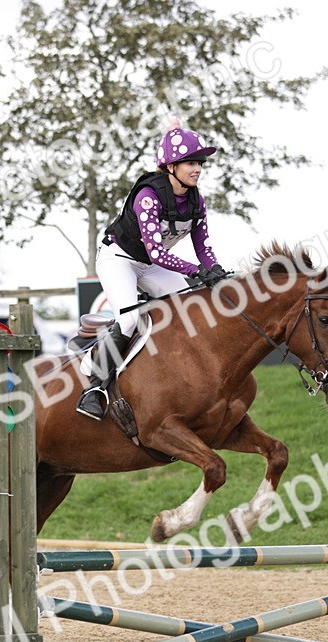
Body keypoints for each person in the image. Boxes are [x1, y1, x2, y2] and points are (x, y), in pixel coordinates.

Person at [75, 120, 228, 420]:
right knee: (130, 318)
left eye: (200, 163)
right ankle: (95, 387)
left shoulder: (198, 202)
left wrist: (216, 271)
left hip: (149, 264)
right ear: (170, 167)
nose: (198, 169)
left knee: (190, 307)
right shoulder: (148, 196)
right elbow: (156, 252)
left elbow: (203, 249)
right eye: (190, 163)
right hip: (118, 258)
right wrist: (197, 272)